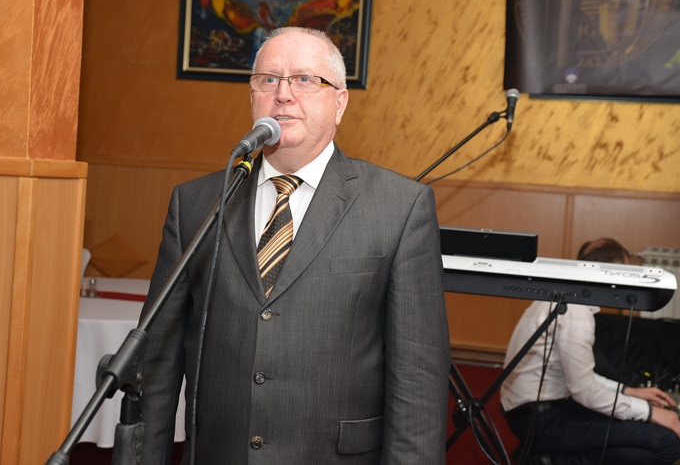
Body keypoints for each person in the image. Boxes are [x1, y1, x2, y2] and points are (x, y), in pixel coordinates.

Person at [139, 26, 450, 465]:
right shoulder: (195, 204)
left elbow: (418, 381)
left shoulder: (399, 207)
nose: (283, 95)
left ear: (339, 103)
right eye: (268, 80)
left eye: (305, 79)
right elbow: (155, 369)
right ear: (253, 98)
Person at [500, 237, 680, 465]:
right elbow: (583, 390)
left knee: (652, 434)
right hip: (541, 421)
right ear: (615, 271)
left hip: (540, 410)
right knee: (666, 443)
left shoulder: (564, 294)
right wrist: (648, 412)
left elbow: (579, 377)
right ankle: (548, 460)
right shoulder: (575, 311)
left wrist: (629, 392)